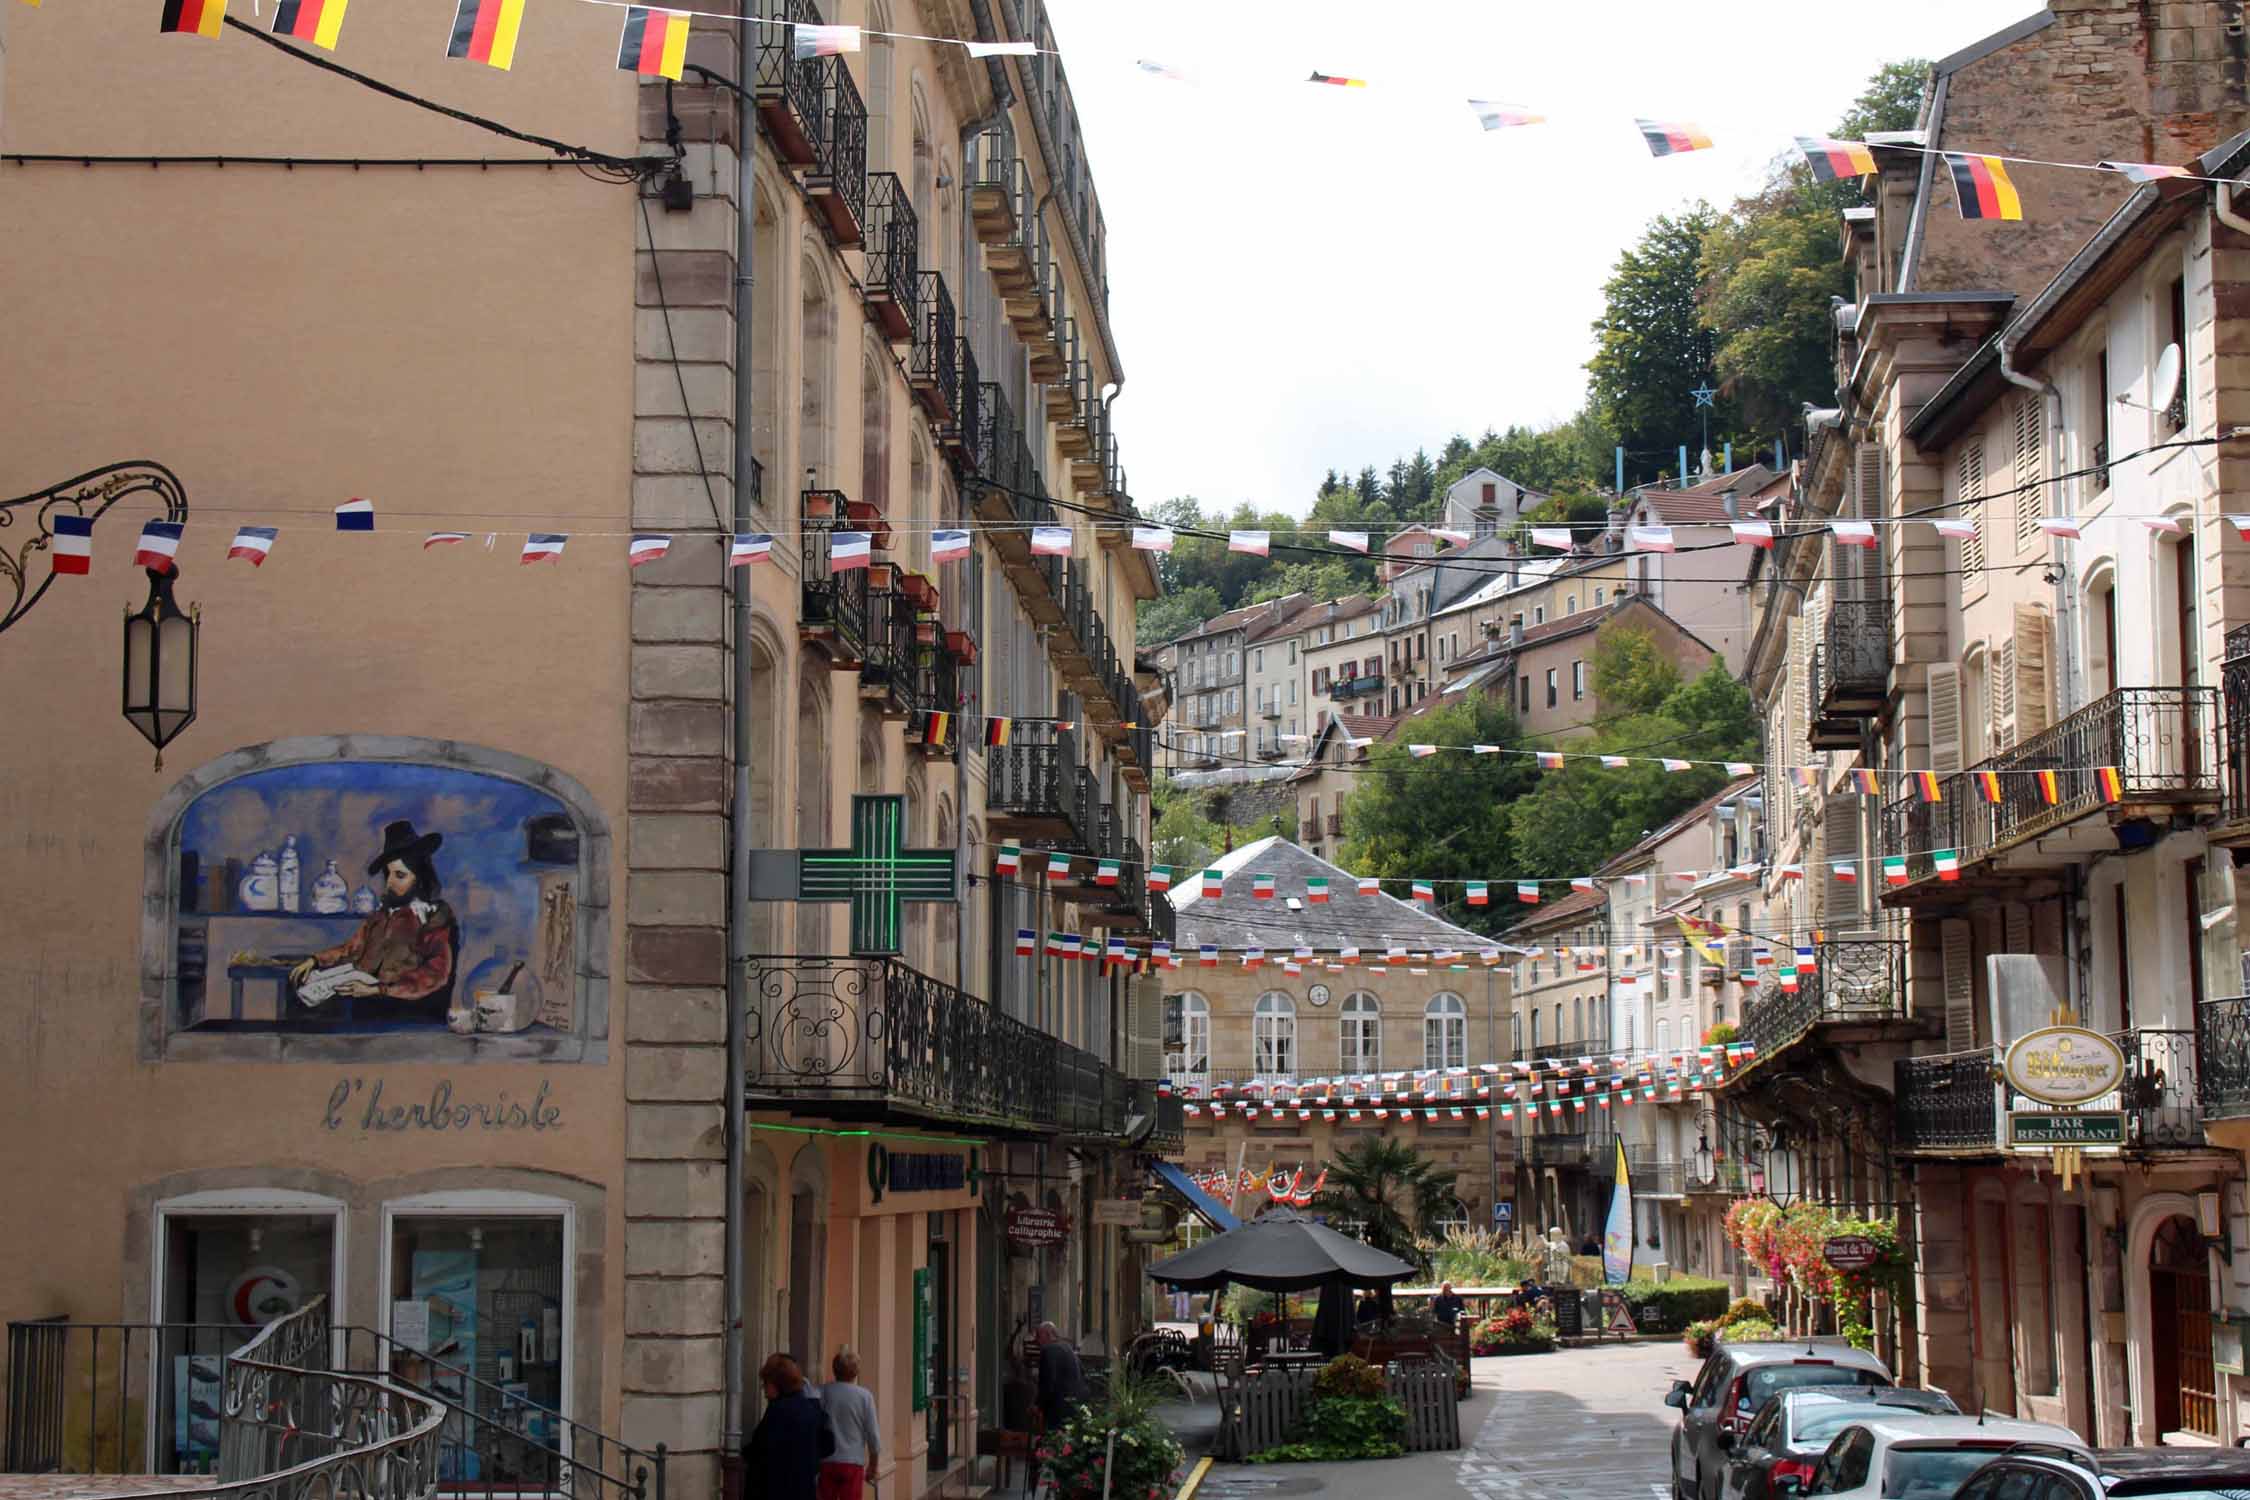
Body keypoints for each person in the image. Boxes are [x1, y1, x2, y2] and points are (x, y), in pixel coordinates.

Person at [290, 820, 458, 1018]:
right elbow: (352, 949)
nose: (389, 883)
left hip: (407, 1012)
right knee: (301, 997)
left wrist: (378, 990)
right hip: (365, 1003)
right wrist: (315, 960)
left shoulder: (434, 916)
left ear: (419, 878)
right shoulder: (380, 916)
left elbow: (435, 975)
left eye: (400, 875)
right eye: (388, 875)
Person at [744, 1354, 834, 1500]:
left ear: (778, 1383)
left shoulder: (777, 1412)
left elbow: (759, 1451)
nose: (764, 1390)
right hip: (804, 1489)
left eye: (766, 1383)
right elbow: (829, 1445)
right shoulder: (811, 1408)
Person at [817, 1350, 880, 1500]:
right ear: (856, 1372)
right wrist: (873, 1465)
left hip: (827, 1460)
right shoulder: (864, 1396)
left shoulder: (823, 1392)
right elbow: (873, 1434)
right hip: (852, 1462)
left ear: (834, 1369)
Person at [1033, 1322, 1089, 1431]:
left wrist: (1038, 1405)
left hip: (1058, 1408)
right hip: (1075, 1405)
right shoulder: (1067, 1347)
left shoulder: (1048, 1350)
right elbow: (1082, 1372)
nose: (1036, 1341)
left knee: (1054, 1441)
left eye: (1038, 1336)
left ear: (1048, 1334)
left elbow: (1047, 1382)